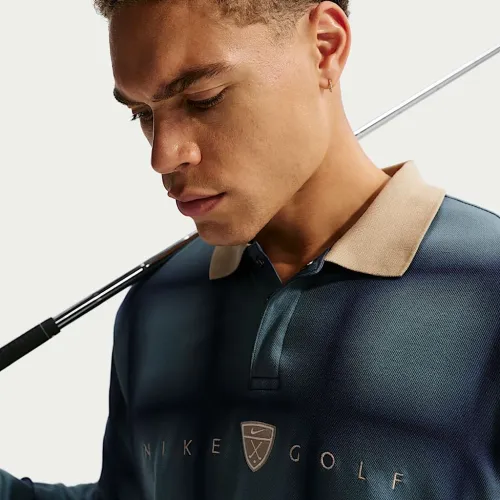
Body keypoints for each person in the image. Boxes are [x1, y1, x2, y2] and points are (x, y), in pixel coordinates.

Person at [2, 0, 500, 498]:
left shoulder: (490, 291)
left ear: (325, 46)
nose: (163, 155)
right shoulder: (158, 301)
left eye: (203, 99)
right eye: (142, 114)